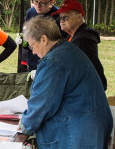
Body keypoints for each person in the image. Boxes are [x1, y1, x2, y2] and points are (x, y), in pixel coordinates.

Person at [18, 16, 112, 149]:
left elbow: (41, 103)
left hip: (77, 132)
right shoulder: (68, 49)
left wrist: (25, 125)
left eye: (33, 46)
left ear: (44, 39)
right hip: (90, 125)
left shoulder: (53, 62)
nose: (33, 52)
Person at [52, 0, 107, 90]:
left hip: (87, 92)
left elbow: (86, 72)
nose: (61, 21)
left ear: (79, 17)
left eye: (65, 17)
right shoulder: (73, 36)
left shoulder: (82, 40)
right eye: (60, 18)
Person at [23, 0, 67, 71]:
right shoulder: (30, 12)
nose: (38, 6)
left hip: (52, 65)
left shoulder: (59, 16)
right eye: (35, 1)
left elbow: (63, 43)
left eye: (42, 3)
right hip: (32, 63)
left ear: (52, 1)